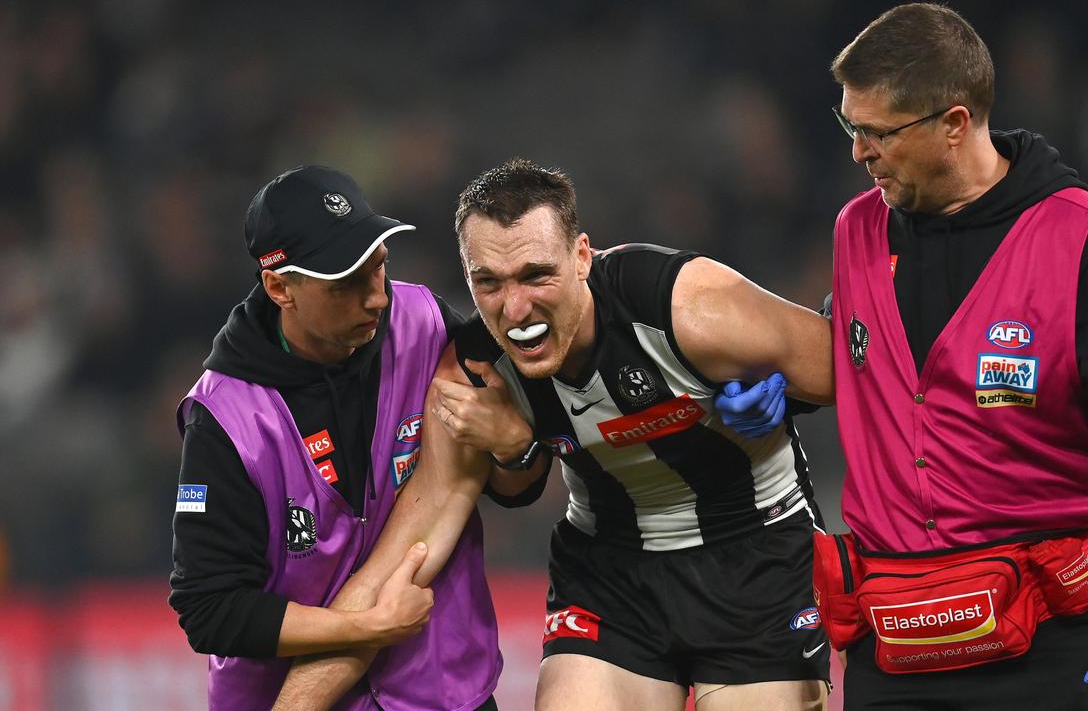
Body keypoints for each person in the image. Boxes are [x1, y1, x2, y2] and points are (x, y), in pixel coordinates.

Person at [718, 3, 1088, 711]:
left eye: (878, 132)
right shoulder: (857, 230)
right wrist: (783, 388)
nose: (858, 151)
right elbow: (864, 349)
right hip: (900, 650)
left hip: (1060, 646)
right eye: (849, 126)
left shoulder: (1086, 246)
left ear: (954, 125)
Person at [273, 158, 836, 711]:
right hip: (611, 577)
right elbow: (400, 559)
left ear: (583, 257)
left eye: (536, 275)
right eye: (487, 282)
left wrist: (792, 395)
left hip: (754, 554)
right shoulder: (476, 376)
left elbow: (854, 366)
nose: (516, 310)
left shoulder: (685, 307)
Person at [168, 165, 502, 711]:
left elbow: (510, 482)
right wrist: (367, 626)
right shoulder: (224, 417)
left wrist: (517, 445)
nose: (375, 298)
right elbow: (211, 610)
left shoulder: (425, 323)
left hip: (445, 693)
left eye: (380, 268)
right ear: (280, 287)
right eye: (348, 282)